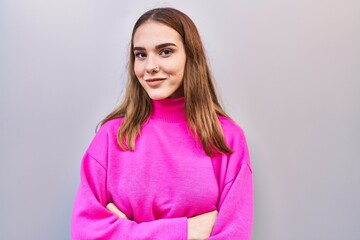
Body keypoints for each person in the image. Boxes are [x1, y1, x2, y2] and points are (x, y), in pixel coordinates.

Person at [71, 7, 253, 240]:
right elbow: (84, 232)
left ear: (191, 56)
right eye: (141, 55)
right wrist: (186, 231)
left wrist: (126, 231)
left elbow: (233, 235)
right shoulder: (111, 138)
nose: (150, 67)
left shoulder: (226, 139)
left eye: (165, 52)